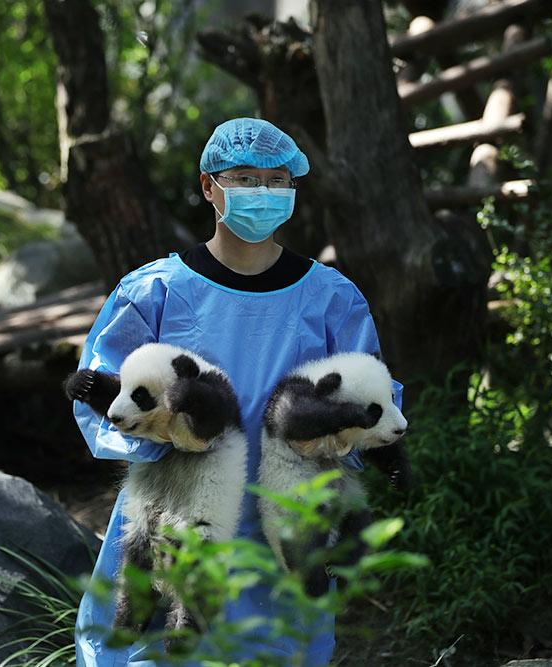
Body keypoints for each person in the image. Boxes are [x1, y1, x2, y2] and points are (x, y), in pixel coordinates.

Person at [72, 117, 405, 666]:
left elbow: (373, 401)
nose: (264, 192)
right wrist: (172, 439)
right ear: (209, 186)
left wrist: (342, 443)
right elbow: (106, 401)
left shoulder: (331, 298)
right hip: (177, 507)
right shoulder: (154, 291)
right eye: (246, 178)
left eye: (278, 180)